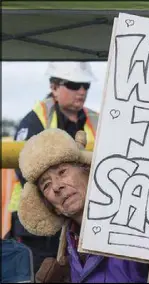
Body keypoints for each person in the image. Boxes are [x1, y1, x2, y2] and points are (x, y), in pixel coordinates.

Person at [16, 128, 149, 283]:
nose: (57, 187)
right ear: (54, 207)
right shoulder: (71, 246)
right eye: (46, 185)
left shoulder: (138, 222)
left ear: (88, 171)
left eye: (62, 172)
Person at [6, 62, 99, 274]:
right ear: (54, 87)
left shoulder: (96, 120)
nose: (82, 91)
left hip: (86, 219)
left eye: (85, 85)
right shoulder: (34, 119)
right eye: (74, 84)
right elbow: (25, 171)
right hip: (39, 226)